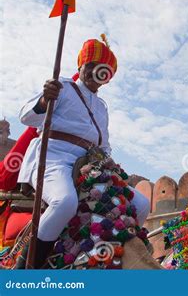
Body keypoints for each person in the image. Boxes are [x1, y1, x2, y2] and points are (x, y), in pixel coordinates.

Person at [17, 35, 150, 268]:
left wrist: (111, 166)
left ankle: (108, 253)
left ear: (107, 77)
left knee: (140, 203)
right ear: (81, 65)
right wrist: (43, 101)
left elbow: (104, 144)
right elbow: (27, 117)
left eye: (103, 70)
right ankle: (26, 268)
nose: (94, 73)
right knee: (64, 202)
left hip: (92, 166)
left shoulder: (102, 107)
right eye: (90, 66)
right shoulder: (63, 87)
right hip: (55, 158)